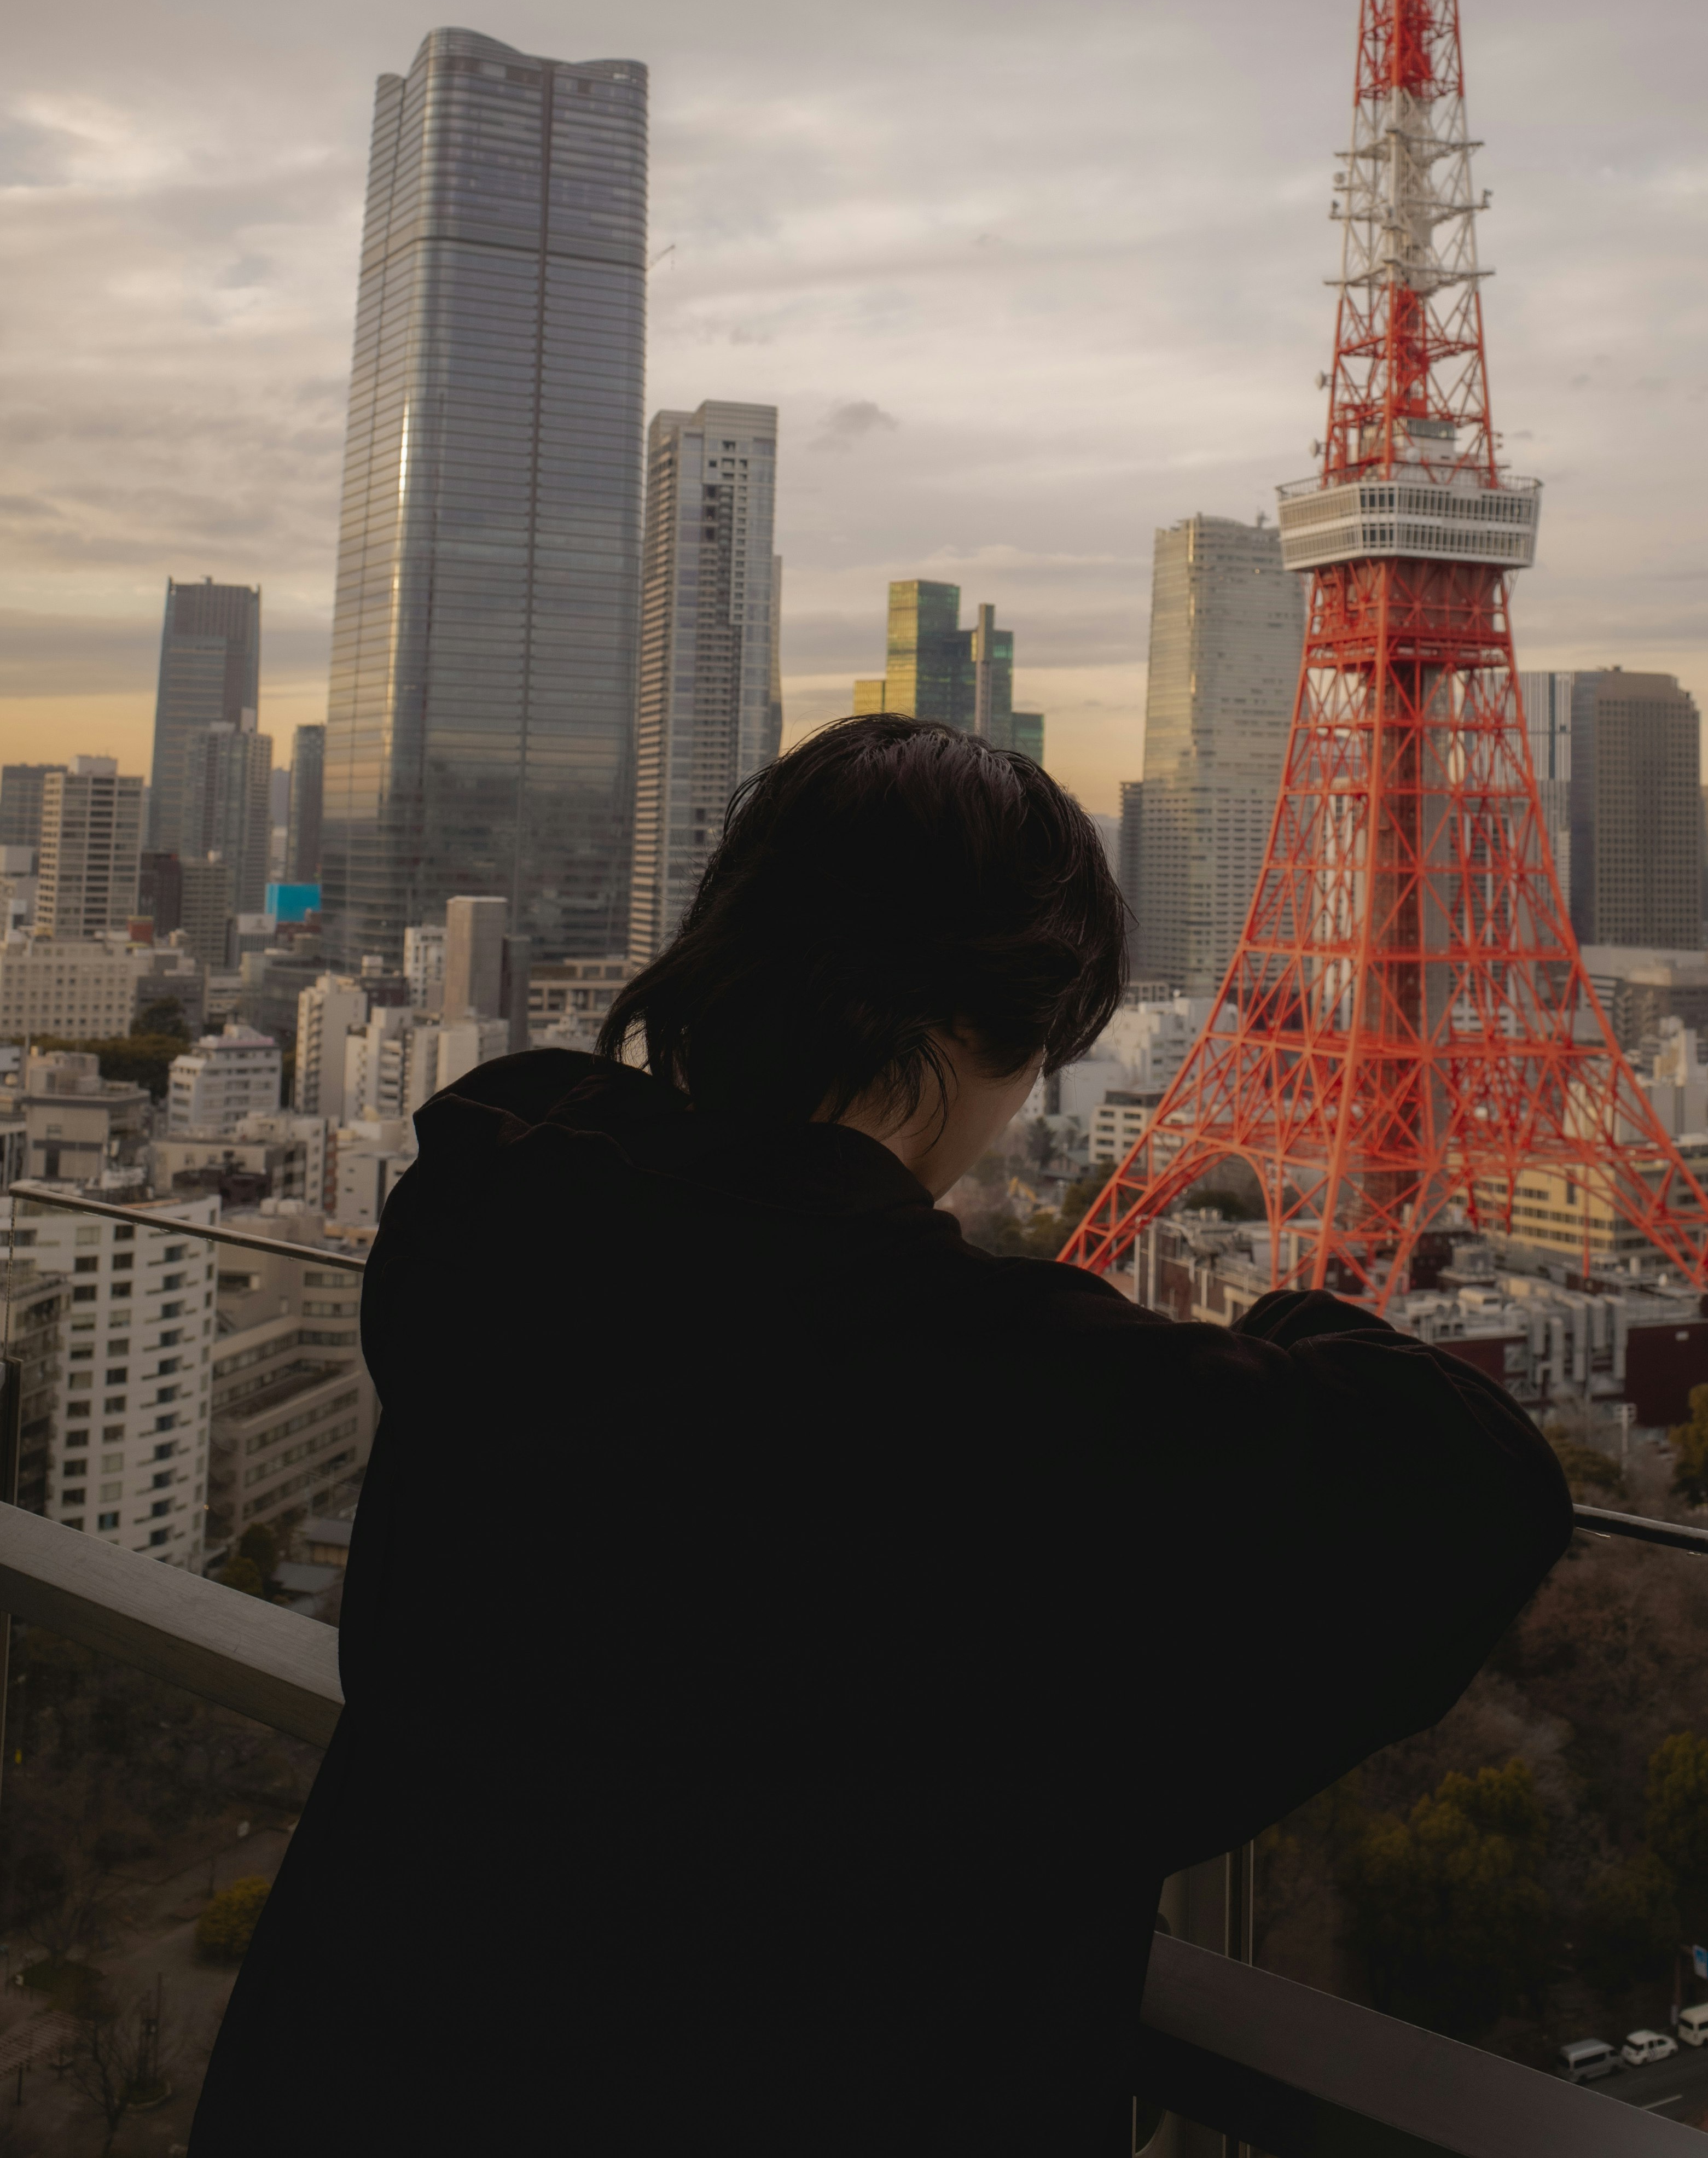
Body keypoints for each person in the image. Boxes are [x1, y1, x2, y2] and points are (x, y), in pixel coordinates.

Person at [192, 714, 1569, 2156]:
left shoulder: (501, 1236)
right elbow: (1472, 1484)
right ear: (980, 1033)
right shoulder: (993, 1398)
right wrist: (1261, 1330)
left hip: (355, 2080)